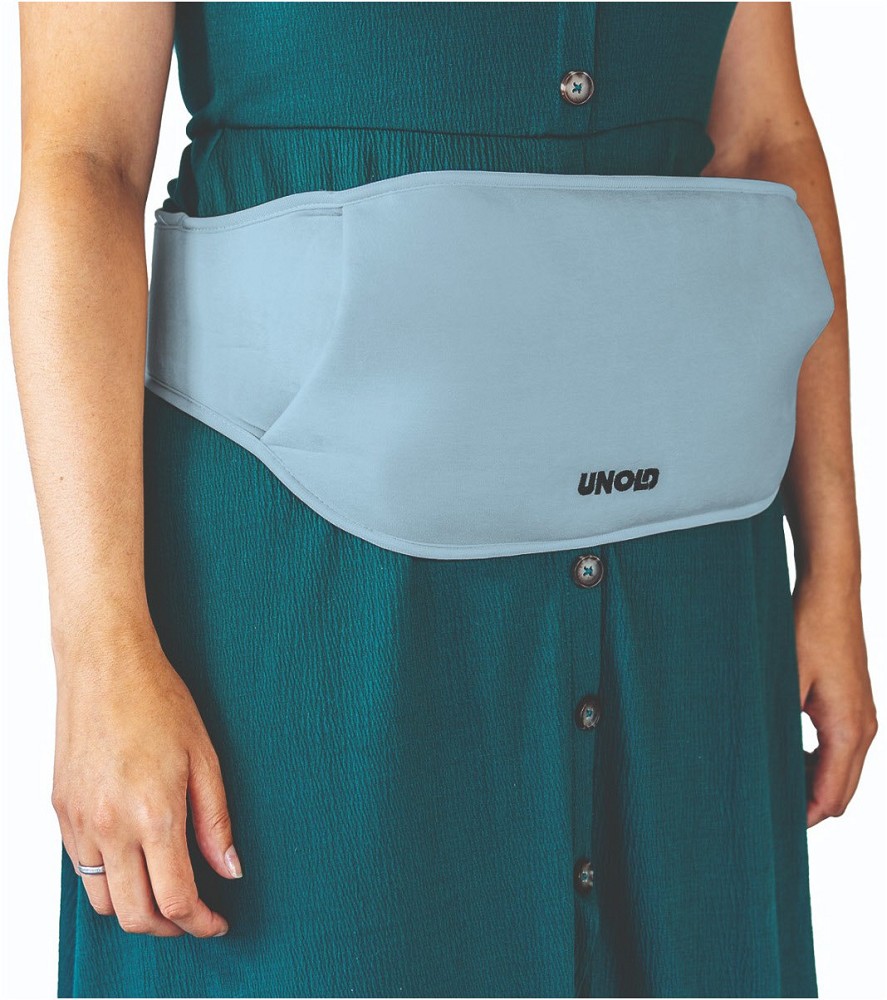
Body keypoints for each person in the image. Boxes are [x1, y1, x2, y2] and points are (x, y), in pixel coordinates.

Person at [8, 3, 876, 998]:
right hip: (313, 599)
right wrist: (99, 649)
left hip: (685, 593)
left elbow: (764, 141)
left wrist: (834, 571)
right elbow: (85, 164)